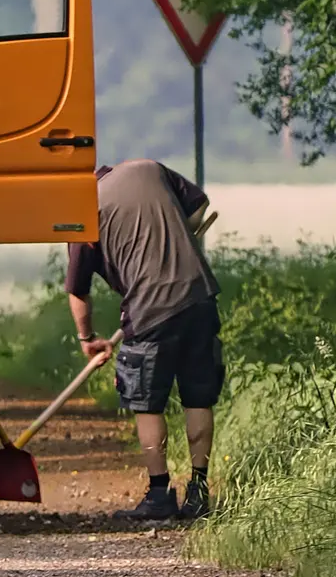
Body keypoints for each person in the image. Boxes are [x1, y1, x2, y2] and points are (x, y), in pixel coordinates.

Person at [66, 160, 221, 521]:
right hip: (199, 297)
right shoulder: (148, 168)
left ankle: (159, 493)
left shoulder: (82, 210)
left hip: (148, 310)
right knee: (198, 397)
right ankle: (199, 493)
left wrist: (87, 337)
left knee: (147, 403)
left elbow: (77, 290)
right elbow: (199, 207)